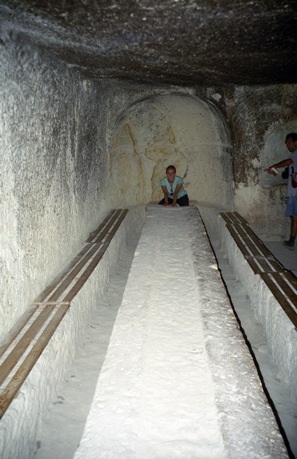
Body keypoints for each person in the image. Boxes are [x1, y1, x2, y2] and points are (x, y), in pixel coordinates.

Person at [265, 132, 297, 250]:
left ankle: (291, 242)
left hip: (295, 193)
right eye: (286, 143)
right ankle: (291, 241)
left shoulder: (295, 155)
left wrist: (274, 166)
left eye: (289, 143)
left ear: (296, 142)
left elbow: (288, 162)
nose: (287, 146)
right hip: (293, 191)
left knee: (294, 217)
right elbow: (287, 174)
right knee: (294, 216)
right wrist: (276, 172)